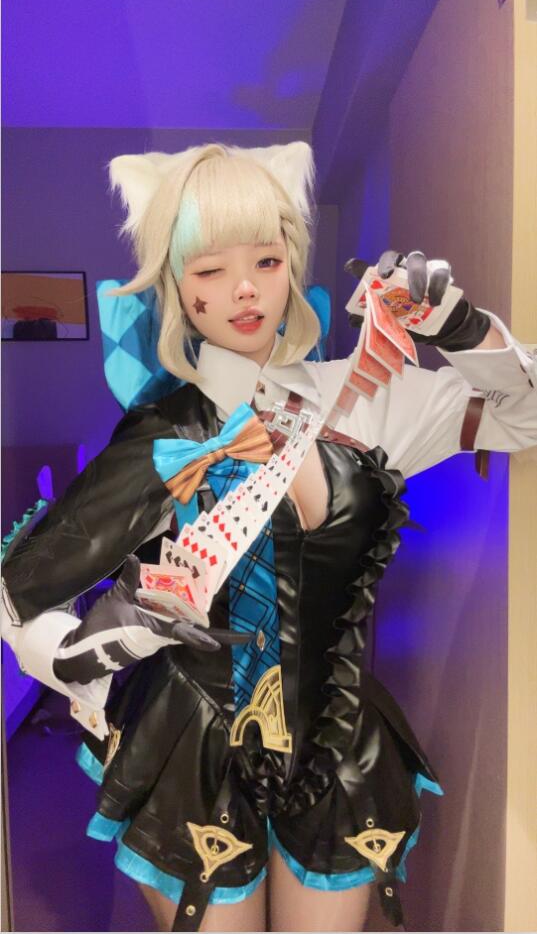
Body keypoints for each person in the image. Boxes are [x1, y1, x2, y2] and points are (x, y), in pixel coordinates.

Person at [2, 142, 536, 934]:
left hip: (337, 741)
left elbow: (523, 417)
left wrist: (461, 327)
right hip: (192, 746)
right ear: (178, 288)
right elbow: (18, 596)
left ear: (291, 264)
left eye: (265, 258)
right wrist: (102, 642)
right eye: (211, 268)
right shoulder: (163, 436)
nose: (245, 288)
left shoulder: (370, 399)